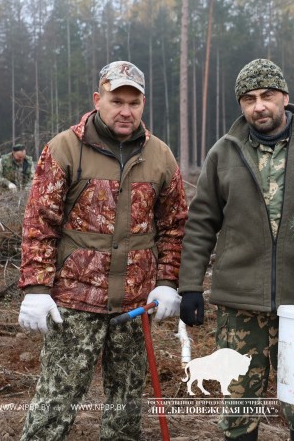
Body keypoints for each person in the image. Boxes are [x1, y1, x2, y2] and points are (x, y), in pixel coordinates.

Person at [178, 59, 294, 441]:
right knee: (239, 409)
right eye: (248, 99)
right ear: (241, 105)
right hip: (240, 303)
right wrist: (190, 286)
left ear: (285, 98)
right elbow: (200, 224)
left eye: (267, 96)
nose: (258, 106)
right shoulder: (223, 153)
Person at [17, 60, 188, 441]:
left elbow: (175, 227)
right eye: (116, 100)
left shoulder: (160, 157)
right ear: (98, 99)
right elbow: (39, 223)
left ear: (144, 104)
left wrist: (167, 281)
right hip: (73, 305)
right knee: (53, 407)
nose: (125, 110)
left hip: (135, 306)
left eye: (134, 102)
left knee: (125, 412)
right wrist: (36, 288)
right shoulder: (64, 149)